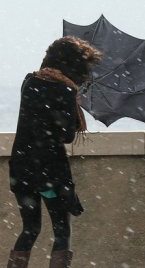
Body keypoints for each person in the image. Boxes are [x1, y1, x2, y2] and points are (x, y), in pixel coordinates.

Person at [7, 36, 102, 268]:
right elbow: (67, 135)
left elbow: (35, 122)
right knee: (62, 231)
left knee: (30, 229)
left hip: (22, 168)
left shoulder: (29, 82)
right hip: (49, 174)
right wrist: (73, 102)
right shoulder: (65, 91)